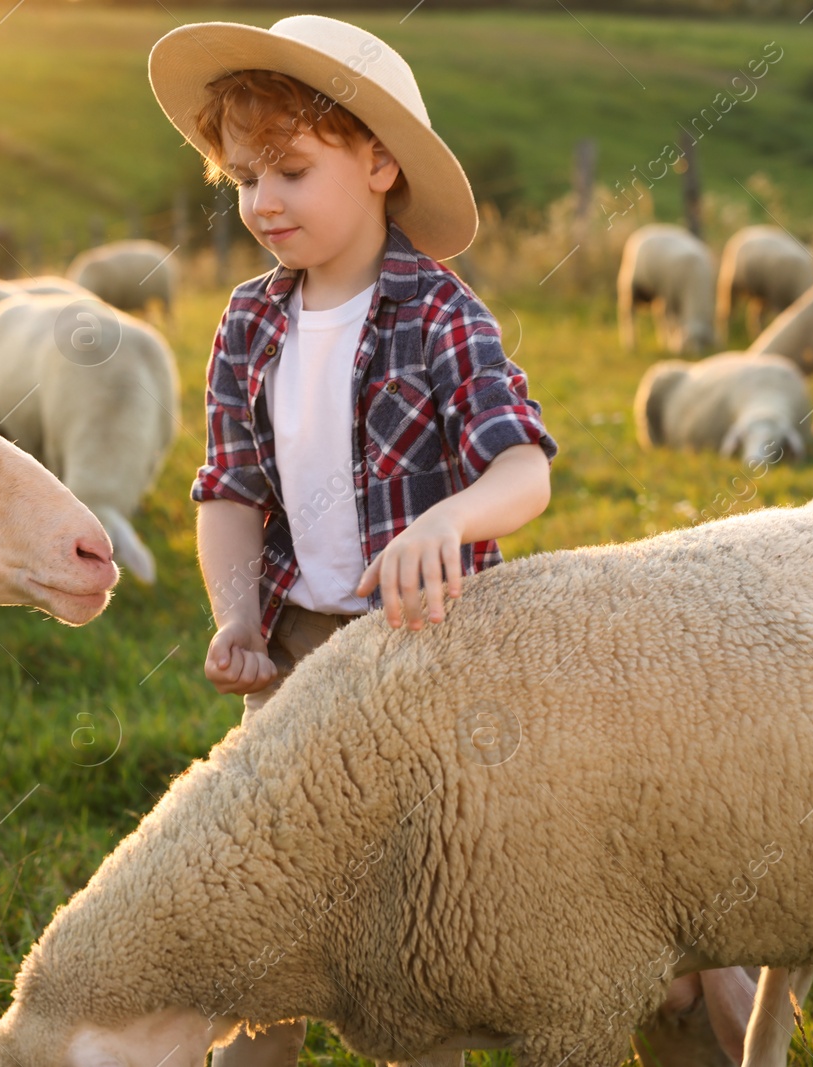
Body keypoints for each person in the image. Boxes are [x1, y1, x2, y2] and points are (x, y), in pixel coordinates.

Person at [149, 15, 742, 1067]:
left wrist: (447, 518)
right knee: (262, 896)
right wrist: (236, 613)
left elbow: (523, 467)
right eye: (241, 180)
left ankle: (679, 992)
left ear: (378, 163)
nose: (262, 203)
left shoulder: (441, 315)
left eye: (289, 170)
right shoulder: (247, 320)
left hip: (437, 648)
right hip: (292, 650)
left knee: (434, 906)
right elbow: (229, 487)